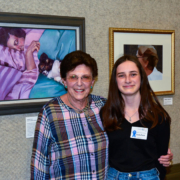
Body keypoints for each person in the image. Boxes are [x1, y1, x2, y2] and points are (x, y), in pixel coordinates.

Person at [31, 51, 172, 180]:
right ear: (64, 81)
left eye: (85, 77)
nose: (79, 84)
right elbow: (39, 165)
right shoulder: (50, 113)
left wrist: (163, 155)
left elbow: (129, 143)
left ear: (92, 82)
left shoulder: (104, 107)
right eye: (73, 77)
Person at [101, 55, 171, 180]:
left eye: (133, 74)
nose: (127, 80)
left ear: (142, 77)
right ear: (115, 80)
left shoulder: (159, 117)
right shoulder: (106, 113)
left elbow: (162, 159)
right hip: (114, 176)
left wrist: (167, 157)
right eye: (121, 75)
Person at [0, 27, 40, 100]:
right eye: (14, 48)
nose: (18, 48)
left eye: (16, 42)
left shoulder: (31, 35)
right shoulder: (23, 53)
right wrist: (28, 53)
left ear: (19, 33)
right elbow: (31, 71)